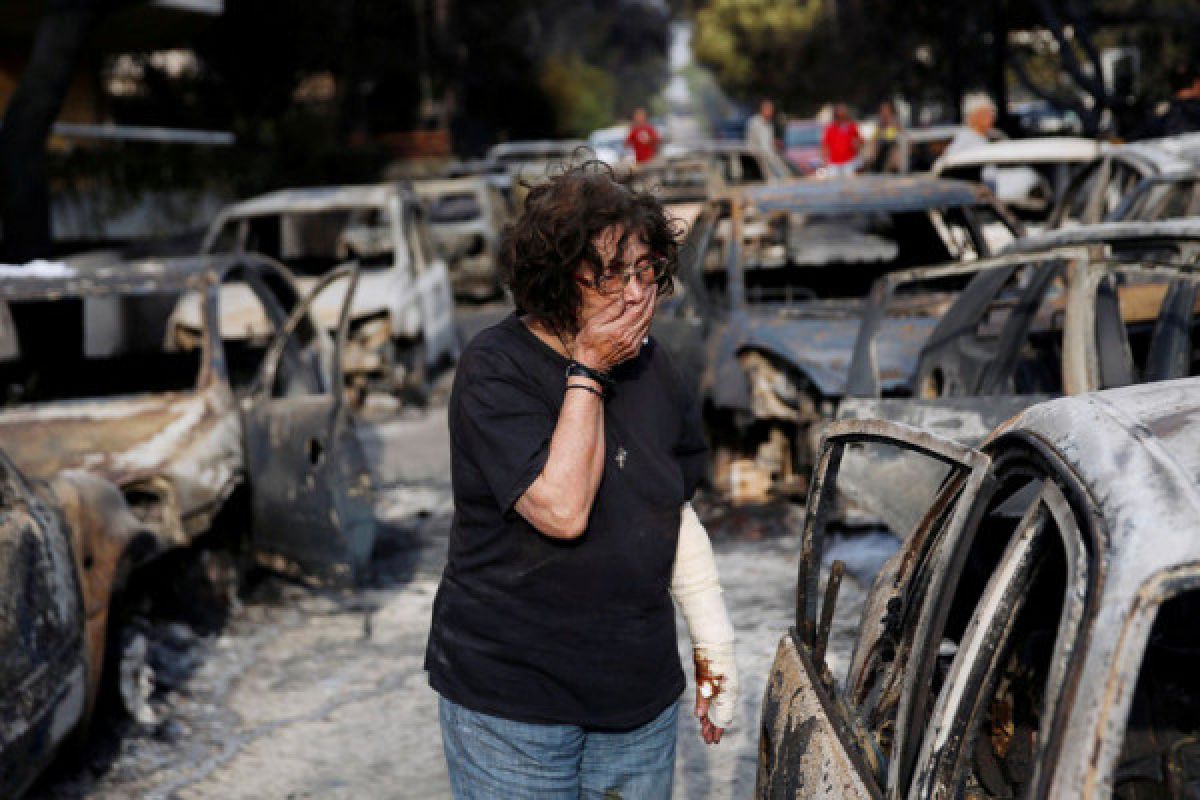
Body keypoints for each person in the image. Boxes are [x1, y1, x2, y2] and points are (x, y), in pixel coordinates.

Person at [426, 163, 738, 799]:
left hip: (636, 703)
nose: (632, 293)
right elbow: (562, 510)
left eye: (645, 270)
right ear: (556, 279)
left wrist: (715, 646)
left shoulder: (656, 370)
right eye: (609, 275)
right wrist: (588, 369)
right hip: (512, 706)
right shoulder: (496, 368)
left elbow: (671, 514)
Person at [947, 92, 997, 156]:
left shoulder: (993, 135)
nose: (990, 116)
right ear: (971, 116)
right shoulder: (965, 140)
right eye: (983, 113)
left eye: (991, 112)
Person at [821, 103, 862, 176]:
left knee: (849, 184)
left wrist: (857, 147)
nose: (841, 114)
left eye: (843, 111)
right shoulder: (830, 128)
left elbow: (858, 140)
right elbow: (825, 145)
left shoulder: (851, 126)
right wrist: (825, 160)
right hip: (834, 163)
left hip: (849, 162)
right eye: (839, 111)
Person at [869, 100, 902, 173]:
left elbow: (899, 133)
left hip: (893, 143)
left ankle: (893, 167)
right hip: (881, 143)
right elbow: (876, 135)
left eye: (886, 109)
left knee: (894, 150)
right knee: (873, 145)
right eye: (883, 109)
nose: (884, 112)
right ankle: (872, 164)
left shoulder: (895, 120)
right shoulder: (879, 122)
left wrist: (890, 123)